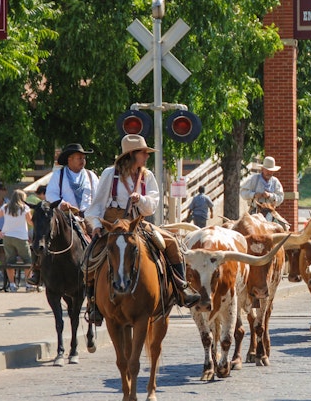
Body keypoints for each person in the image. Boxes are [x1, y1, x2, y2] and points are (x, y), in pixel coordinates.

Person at [83, 134, 200, 325]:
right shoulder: (109, 174)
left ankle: (181, 288)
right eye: (143, 153)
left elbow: (152, 206)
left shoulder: (147, 176)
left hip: (137, 223)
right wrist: (96, 226)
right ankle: (93, 303)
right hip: (113, 224)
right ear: (131, 155)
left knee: (170, 243)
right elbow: (95, 206)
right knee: (89, 256)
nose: (147, 156)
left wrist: (141, 199)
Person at [28, 145, 98, 286]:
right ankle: (37, 269)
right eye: (79, 158)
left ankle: (101, 270)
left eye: (83, 158)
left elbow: (98, 197)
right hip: (64, 215)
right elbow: (51, 194)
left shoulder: (91, 176)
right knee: (42, 233)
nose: (83, 160)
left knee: (100, 237)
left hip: (86, 216)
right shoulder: (58, 176)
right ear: (69, 159)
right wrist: (61, 204)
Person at [0, 190, 34, 292]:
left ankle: (12, 284)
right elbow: (30, 222)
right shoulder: (25, 208)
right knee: (27, 261)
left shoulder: (6, 207)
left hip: (8, 237)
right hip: (21, 237)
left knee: (10, 261)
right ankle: (28, 284)